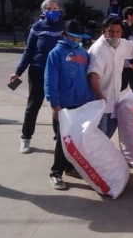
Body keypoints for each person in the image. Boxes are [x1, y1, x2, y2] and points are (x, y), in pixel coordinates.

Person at [9, 0, 65, 154]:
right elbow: (28, 51)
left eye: (55, 9)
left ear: (61, 11)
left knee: (58, 107)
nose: (52, 11)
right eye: (49, 9)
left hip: (59, 73)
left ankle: (58, 139)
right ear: (43, 11)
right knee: (33, 105)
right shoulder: (37, 27)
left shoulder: (64, 27)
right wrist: (18, 71)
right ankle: (25, 138)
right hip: (38, 70)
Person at [44, 19, 94, 190]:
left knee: (75, 139)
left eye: (79, 38)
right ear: (63, 35)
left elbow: (87, 78)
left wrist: (90, 99)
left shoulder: (83, 53)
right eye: (72, 38)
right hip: (63, 105)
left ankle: (69, 166)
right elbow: (50, 80)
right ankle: (55, 172)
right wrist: (54, 104)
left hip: (80, 102)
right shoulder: (56, 54)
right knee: (62, 140)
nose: (76, 41)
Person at [88, 17, 133, 138]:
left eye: (118, 32)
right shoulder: (99, 49)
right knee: (99, 137)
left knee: (107, 134)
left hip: (114, 100)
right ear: (104, 31)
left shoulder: (120, 43)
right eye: (111, 31)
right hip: (100, 102)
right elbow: (93, 75)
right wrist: (99, 95)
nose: (114, 34)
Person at [121, 6, 133, 93]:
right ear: (129, 16)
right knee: (132, 86)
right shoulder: (125, 28)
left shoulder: (128, 28)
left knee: (129, 85)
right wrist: (132, 62)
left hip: (127, 64)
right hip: (126, 64)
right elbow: (125, 46)